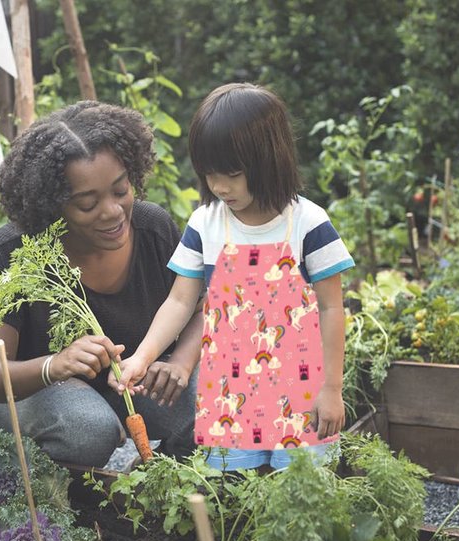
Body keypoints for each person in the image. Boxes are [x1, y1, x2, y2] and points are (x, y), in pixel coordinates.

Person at [115, 82, 354, 471]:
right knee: (233, 494)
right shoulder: (205, 224)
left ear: (270, 160)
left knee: (302, 493)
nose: (219, 187)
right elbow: (179, 301)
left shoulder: (309, 224)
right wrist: (143, 356)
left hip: (302, 391)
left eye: (232, 174)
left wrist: (331, 389)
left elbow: (331, 309)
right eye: (210, 175)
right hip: (230, 393)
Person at [0, 101, 203, 467]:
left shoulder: (153, 229)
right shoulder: (15, 251)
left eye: (120, 189)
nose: (112, 211)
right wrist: (55, 365)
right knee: (88, 430)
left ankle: (154, 471)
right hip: (42, 392)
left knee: (214, 398)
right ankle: (39, 487)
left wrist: (181, 363)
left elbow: (197, 309)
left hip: (135, 381)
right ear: (52, 205)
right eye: (87, 203)